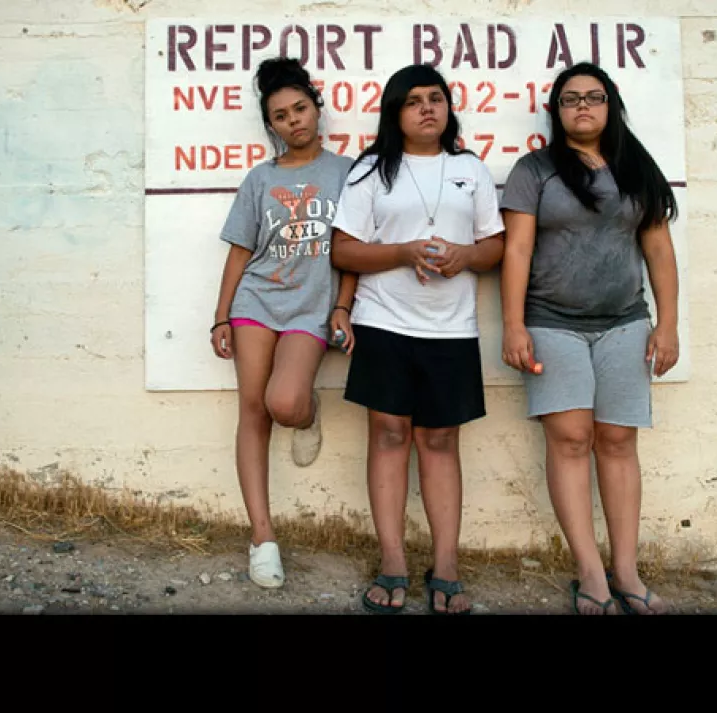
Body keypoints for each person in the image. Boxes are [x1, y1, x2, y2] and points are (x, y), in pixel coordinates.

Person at [498, 61, 680, 615]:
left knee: (619, 442)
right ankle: (590, 571)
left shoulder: (636, 167)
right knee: (572, 439)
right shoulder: (535, 170)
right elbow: (518, 251)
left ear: (610, 105)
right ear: (556, 110)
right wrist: (513, 324)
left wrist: (667, 323)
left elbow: (658, 250)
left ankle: (626, 568)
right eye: (570, 98)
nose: (582, 106)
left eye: (593, 97)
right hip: (552, 323)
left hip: (625, 321)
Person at [330, 64, 505, 615]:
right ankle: (392, 562)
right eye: (413, 101)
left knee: (440, 442)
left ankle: (446, 564)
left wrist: (465, 257)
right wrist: (404, 252)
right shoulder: (371, 171)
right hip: (384, 320)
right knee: (387, 436)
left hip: (450, 328)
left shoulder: (469, 169)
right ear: (395, 113)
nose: (427, 108)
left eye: (436, 98)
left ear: (448, 109)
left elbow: (495, 247)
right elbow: (344, 250)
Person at [210, 57, 357, 590]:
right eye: (281, 115)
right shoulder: (260, 179)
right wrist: (220, 316)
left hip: (309, 306)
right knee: (252, 410)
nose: (294, 120)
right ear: (270, 125)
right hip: (256, 299)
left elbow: (353, 251)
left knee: (284, 403)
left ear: (317, 109)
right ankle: (262, 537)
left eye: (300, 108)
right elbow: (239, 253)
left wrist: (342, 305)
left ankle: (309, 409)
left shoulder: (347, 172)